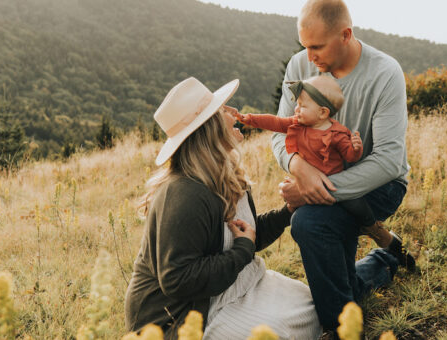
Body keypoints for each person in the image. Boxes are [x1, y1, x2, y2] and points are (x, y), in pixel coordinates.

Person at [124, 77, 321, 340]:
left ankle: (380, 261)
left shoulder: (224, 175)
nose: (232, 112)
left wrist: (288, 211)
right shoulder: (183, 193)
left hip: (224, 288)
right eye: (223, 109)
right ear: (209, 128)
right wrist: (242, 251)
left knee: (311, 306)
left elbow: (243, 234)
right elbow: (178, 281)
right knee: (277, 333)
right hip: (180, 316)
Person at [272, 0, 412, 332]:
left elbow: (389, 161)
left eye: (317, 46)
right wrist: (297, 166)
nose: (309, 57)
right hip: (326, 180)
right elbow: (281, 133)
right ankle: (385, 258)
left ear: (345, 34)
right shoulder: (300, 67)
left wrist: (313, 191)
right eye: (304, 46)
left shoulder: (385, 72)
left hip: (379, 186)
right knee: (342, 285)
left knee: (308, 222)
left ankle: (342, 332)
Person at [234, 75, 416, 256]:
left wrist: (356, 148)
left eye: (302, 106)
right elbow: (274, 121)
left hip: (333, 184)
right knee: (295, 202)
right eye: (297, 104)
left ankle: (373, 228)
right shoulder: (296, 124)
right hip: (309, 182)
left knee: (355, 204)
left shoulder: (337, 133)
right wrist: (248, 118)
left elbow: (350, 156)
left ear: (322, 112)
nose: (296, 109)